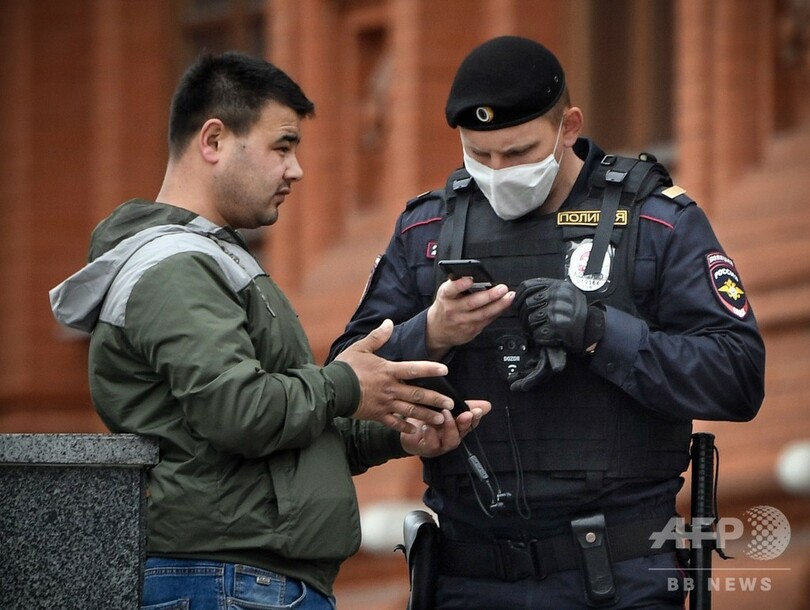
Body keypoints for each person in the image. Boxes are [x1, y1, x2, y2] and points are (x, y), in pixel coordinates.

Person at [328, 36, 766, 609]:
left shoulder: (655, 223)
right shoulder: (427, 230)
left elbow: (738, 376)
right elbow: (342, 377)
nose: (498, 171)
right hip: (468, 576)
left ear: (568, 126)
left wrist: (599, 333)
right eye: (478, 155)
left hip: (615, 575)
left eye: (517, 153)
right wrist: (431, 332)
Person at [48, 51, 490, 610]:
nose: (296, 169)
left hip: (243, 579)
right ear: (213, 141)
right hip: (224, 583)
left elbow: (272, 444)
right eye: (281, 146)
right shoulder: (175, 267)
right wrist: (346, 384)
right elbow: (239, 412)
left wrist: (396, 431)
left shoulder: (213, 259)